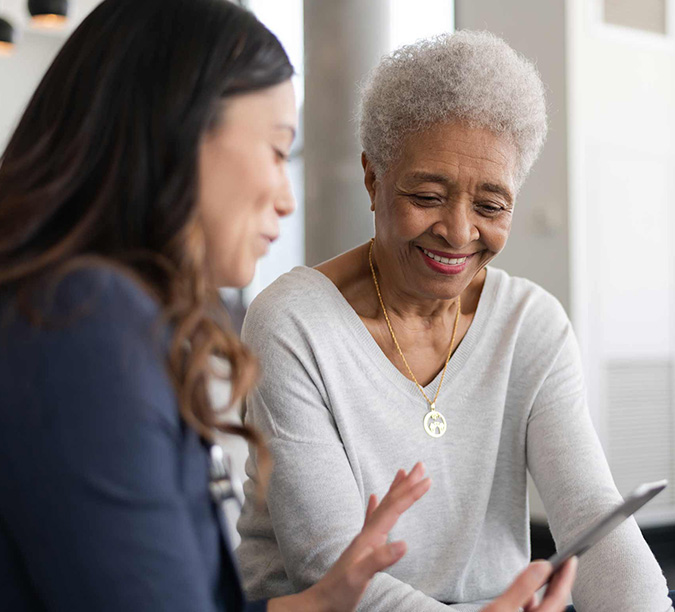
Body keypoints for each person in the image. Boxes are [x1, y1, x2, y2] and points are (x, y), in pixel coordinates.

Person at [0, 1, 577, 611]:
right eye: (277, 151)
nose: (286, 199)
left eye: (490, 205)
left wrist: (321, 603)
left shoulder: (99, 313)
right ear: (176, 138)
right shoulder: (84, 322)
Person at [236, 30, 675, 612]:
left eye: (491, 206)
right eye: (426, 195)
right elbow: (333, 567)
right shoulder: (292, 323)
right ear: (373, 178)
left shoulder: (530, 323)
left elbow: (591, 515)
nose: (460, 232)